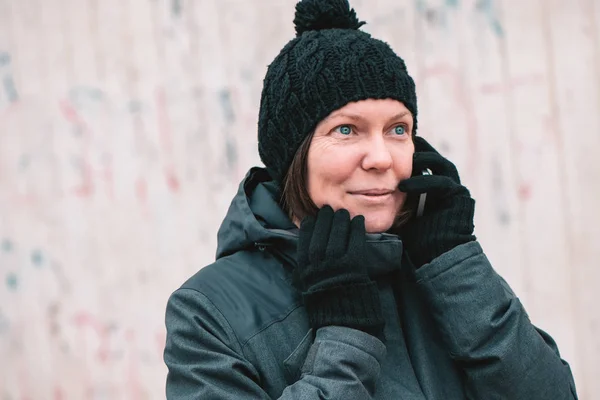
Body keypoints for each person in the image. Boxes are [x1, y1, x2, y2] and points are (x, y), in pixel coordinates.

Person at [163, 0, 578, 398]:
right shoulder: (208, 312)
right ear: (293, 155)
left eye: (398, 130)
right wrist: (345, 342)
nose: (382, 158)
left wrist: (457, 264)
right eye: (346, 129)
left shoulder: (436, 267)